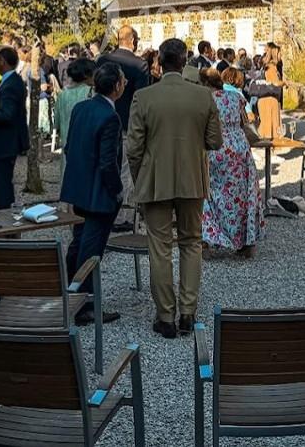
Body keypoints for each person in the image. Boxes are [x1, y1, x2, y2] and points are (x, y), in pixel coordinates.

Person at [124, 38, 222, 340]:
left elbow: (134, 148)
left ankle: (165, 315)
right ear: (184, 61)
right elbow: (215, 141)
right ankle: (188, 312)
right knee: (192, 242)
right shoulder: (203, 96)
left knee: (160, 247)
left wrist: (142, 176)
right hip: (192, 179)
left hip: (156, 179)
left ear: (159, 63)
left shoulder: (143, 96)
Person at [59, 63, 128, 326]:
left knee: (78, 241)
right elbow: (107, 162)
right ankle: (84, 303)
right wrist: (117, 191)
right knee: (91, 247)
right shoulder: (109, 117)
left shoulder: (81, 108)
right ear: (117, 86)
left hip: (78, 186)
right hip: (99, 191)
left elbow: (71, 147)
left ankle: (71, 292)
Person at [201, 66, 264, 258]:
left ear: (205, 84)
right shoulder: (236, 98)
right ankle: (245, 242)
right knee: (241, 196)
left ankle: (210, 238)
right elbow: (246, 122)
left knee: (211, 195)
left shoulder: (206, 100)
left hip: (216, 147)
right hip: (239, 148)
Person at [0, 46, 29, 210]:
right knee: (2, 183)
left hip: (4, 143)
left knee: (2, 185)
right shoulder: (9, 81)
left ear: (2, 61)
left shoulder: (11, 84)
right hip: (3, 142)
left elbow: (7, 115)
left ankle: (5, 216)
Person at [54, 57, 94, 159]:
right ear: (86, 75)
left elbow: (56, 122)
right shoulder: (91, 92)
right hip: (87, 144)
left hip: (67, 142)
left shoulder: (62, 94)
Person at [257, 42, 285, 141]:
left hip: (264, 98)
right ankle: (270, 152)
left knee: (268, 127)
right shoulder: (272, 67)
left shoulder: (265, 66)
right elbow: (275, 83)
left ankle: (269, 152)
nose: (281, 55)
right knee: (271, 128)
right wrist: (285, 83)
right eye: (280, 53)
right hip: (270, 99)